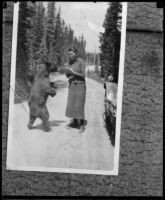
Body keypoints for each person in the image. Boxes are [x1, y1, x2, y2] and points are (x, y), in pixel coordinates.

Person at [64, 46, 86, 133]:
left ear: (76, 54)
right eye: (69, 54)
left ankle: (82, 124)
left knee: (79, 105)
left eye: (71, 54)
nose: (70, 56)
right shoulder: (69, 62)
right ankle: (75, 122)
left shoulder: (81, 62)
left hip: (80, 85)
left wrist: (74, 72)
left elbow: (83, 75)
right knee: (72, 104)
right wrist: (66, 70)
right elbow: (67, 76)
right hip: (72, 85)